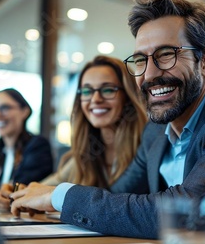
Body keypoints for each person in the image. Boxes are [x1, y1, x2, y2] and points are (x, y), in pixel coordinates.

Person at [10, 0, 205, 238]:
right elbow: (116, 198)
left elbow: (186, 212)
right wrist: (39, 196)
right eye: (141, 60)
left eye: (166, 54)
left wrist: (58, 196)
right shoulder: (155, 131)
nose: (150, 74)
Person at [30, 55, 146, 187]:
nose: (95, 99)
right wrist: (14, 192)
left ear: (128, 96)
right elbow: (42, 190)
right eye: (87, 91)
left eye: (108, 90)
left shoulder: (147, 148)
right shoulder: (87, 153)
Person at [0, 88, 53, 205]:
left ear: (24, 111)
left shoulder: (37, 146)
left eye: (4, 108)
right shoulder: (0, 150)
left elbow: (23, 189)